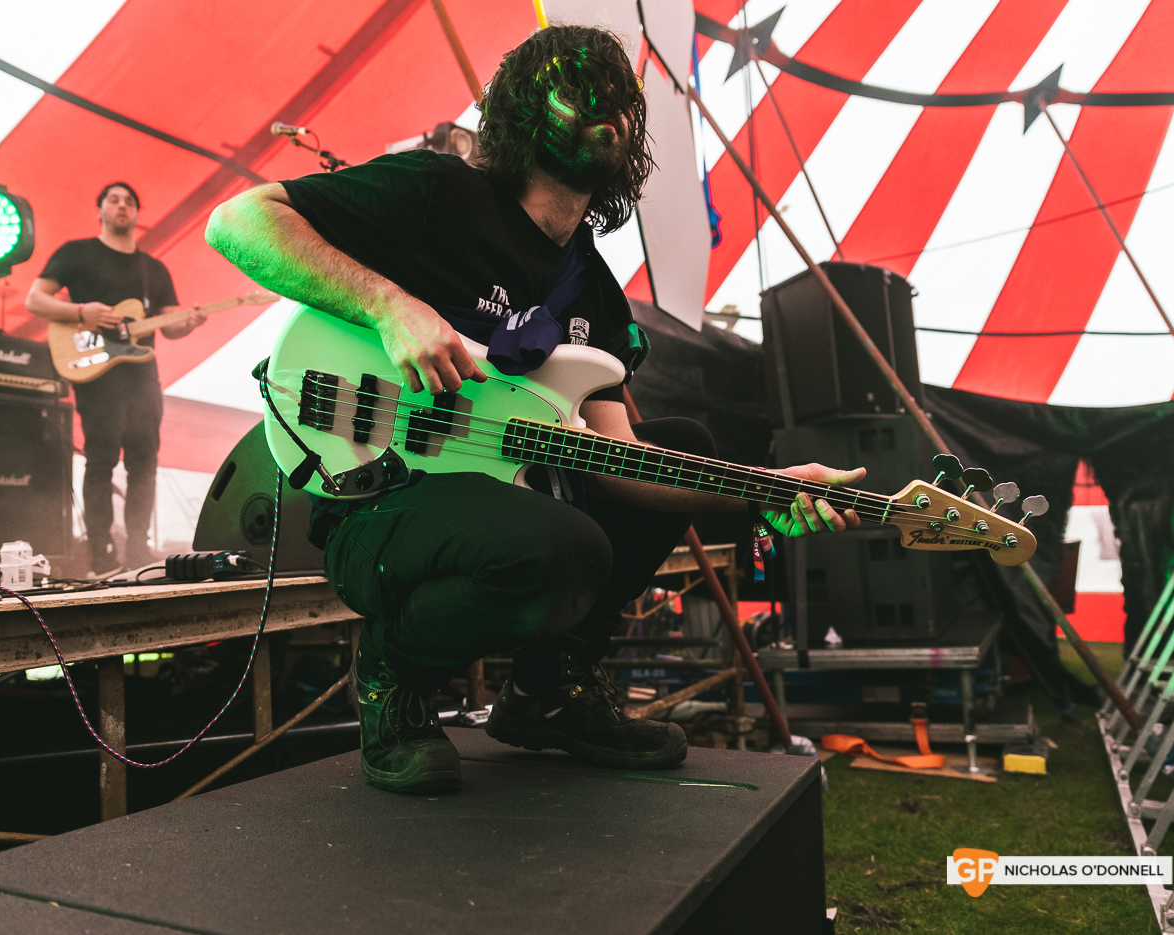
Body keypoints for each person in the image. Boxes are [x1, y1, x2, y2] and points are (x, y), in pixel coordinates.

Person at [205, 25, 864, 794]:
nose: (609, 111)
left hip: (503, 497)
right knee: (565, 545)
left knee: (678, 440)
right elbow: (238, 221)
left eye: (622, 99)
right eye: (581, 91)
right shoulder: (437, 194)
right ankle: (392, 674)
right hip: (378, 501)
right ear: (522, 107)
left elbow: (624, 464)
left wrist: (764, 488)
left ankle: (548, 692)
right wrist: (389, 306)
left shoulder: (594, 292)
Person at [26, 182, 207, 577]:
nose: (122, 206)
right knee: (101, 460)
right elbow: (35, 300)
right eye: (114, 200)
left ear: (138, 214)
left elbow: (171, 325)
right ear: (100, 210)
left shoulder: (153, 269)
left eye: (129, 201)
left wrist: (190, 323)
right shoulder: (76, 253)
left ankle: (138, 549)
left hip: (142, 378)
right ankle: (101, 554)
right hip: (95, 374)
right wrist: (80, 312)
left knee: (145, 464)